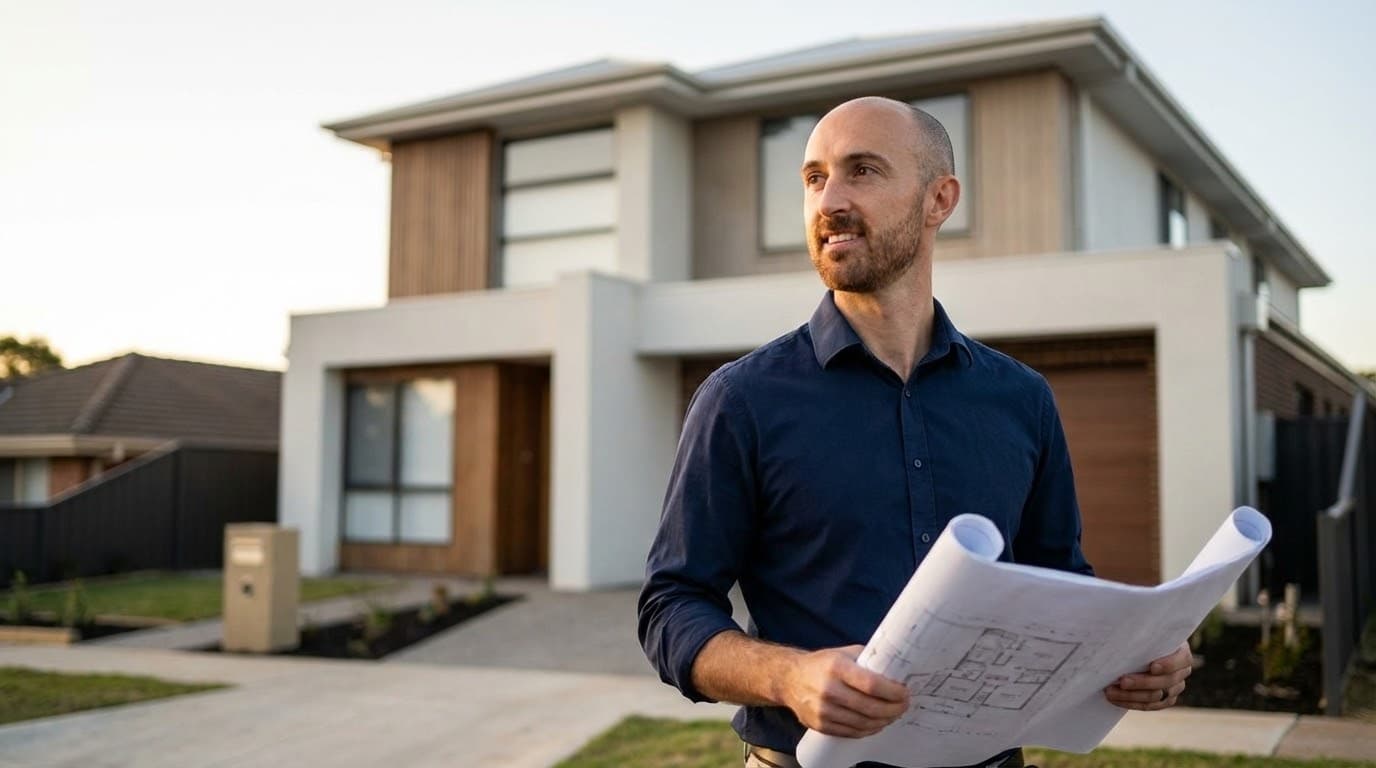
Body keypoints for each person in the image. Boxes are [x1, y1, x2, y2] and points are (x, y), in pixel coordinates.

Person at [637, 96, 1193, 768]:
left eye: (862, 171)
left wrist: (1135, 657)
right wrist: (789, 676)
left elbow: (1061, 587)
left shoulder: (1021, 400)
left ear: (940, 199)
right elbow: (671, 606)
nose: (829, 200)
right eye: (814, 179)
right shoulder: (741, 400)